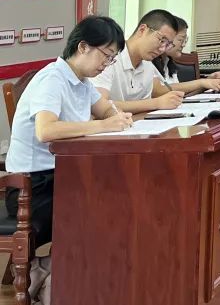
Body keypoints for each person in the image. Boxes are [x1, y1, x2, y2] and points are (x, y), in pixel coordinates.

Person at [6, 16, 134, 301]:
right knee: (101, 206)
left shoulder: (82, 81)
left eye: (112, 59)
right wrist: (101, 126)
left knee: (120, 197)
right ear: (83, 47)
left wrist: (116, 116)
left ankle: (55, 270)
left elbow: (104, 109)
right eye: (106, 55)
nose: (107, 64)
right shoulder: (52, 79)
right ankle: (61, 277)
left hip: (62, 178)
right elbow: (46, 130)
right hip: (32, 188)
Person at [91, 9, 185, 114]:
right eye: (161, 40)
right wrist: (156, 103)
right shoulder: (109, 57)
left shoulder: (148, 66)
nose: (162, 49)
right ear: (142, 30)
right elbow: (98, 104)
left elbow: (143, 110)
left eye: (167, 44)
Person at [151, 16, 220, 94]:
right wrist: (201, 82)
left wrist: (208, 82)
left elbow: (182, 94)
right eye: (180, 40)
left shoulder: (168, 63)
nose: (183, 45)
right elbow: (158, 91)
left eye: (185, 40)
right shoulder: (149, 62)